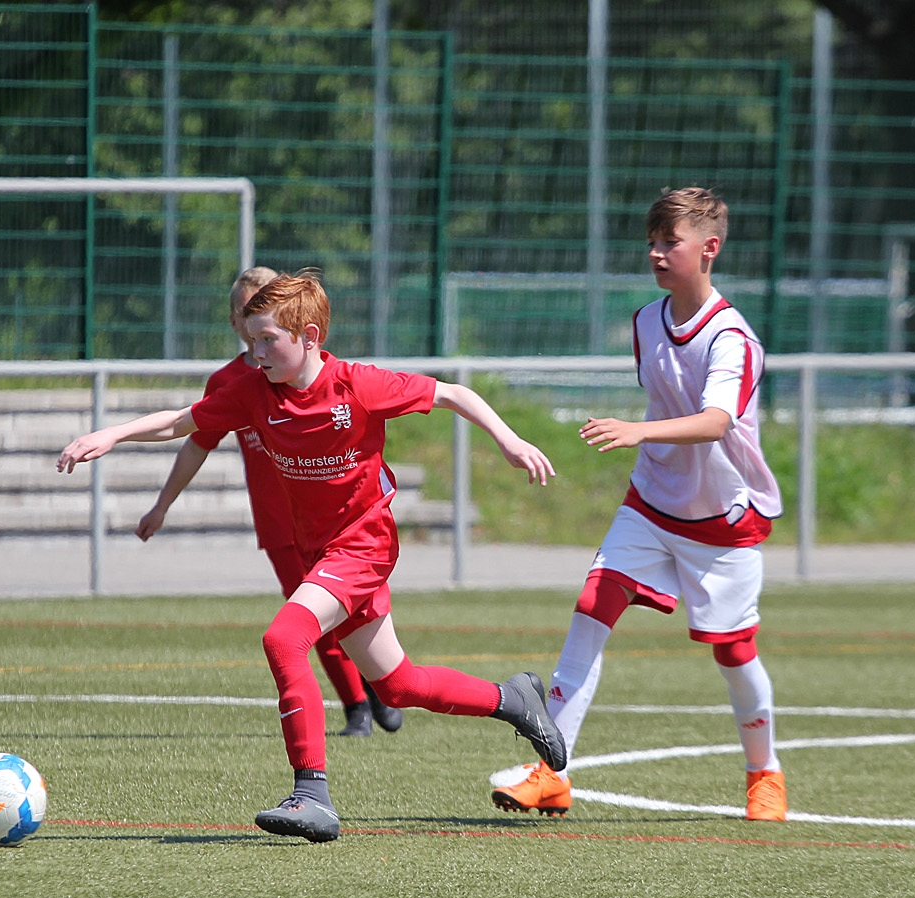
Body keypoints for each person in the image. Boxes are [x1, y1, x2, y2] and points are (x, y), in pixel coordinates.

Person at [59, 270, 566, 842]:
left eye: (267, 340)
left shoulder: (357, 384)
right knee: (398, 686)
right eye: (250, 339)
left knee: (284, 638)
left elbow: (452, 393)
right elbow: (184, 422)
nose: (255, 353)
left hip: (364, 545)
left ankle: (311, 794)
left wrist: (509, 440)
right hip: (321, 550)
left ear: (309, 337)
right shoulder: (254, 390)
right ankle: (512, 699)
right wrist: (112, 435)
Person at [490, 186, 787, 822]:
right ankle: (552, 771)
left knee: (734, 653)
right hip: (650, 504)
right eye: (651, 241)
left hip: (722, 518)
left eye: (669, 242)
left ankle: (765, 772)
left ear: (709, 248)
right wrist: (646, 442)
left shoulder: (732, 338)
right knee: (591, 609)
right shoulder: (646, 321)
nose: (655, 252)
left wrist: (638, 431)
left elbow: (715, 422)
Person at [135, 267, 402, 738]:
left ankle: (380, 682)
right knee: (306, 621)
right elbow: (195, 441)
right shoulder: (232, 383)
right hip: (282, 523)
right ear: (236, 321)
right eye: (245, 311)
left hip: (339, 518)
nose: (255, 322)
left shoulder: (307, 371)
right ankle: (356, 705)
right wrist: (162, 505)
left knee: (344, 614)